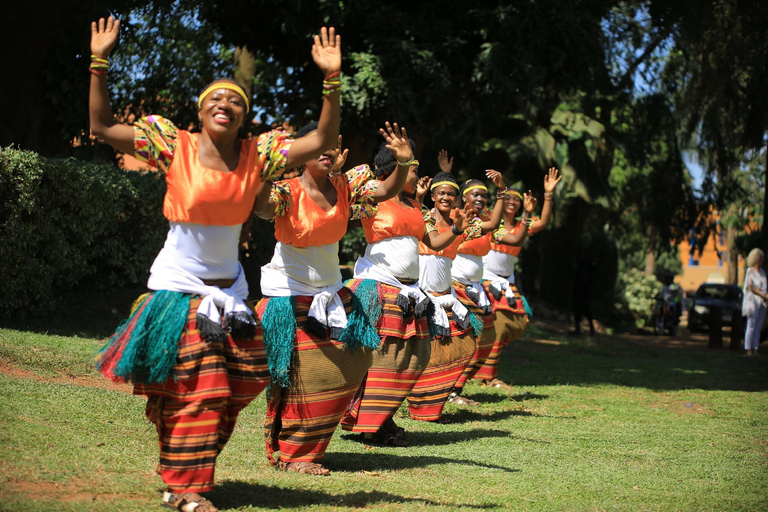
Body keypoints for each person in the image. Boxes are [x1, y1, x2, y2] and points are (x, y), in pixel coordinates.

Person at [91, 16, 342, 511]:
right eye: (216, 100)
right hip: (179, 291)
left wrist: (330, 82)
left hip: (230, 295)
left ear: (243, 117)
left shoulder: (258, 155)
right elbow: (100, 127)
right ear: (201, 111)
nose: (225, 105)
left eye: (235, 101)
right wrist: (100, 62)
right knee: (204, 386)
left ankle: (180, 438)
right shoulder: (171, 146)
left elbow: (320, 141)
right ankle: (185, 489)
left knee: (245, 377)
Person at [252, 122, 414, 475]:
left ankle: (309, 446)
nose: (325, 150)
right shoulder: (285, 190)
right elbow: (263, 209)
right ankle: (296, 455)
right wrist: (264, 172)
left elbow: (386, 191)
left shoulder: (347, 186)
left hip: (330, 292)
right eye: (317, 145)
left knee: (353, 362)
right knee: (303, 376)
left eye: (331, 144)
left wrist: (403, 164)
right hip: (289, 294)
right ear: (302, 152)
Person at [340, 145, 469, 445]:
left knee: (412, 359)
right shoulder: (374, 199)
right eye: (412, 169)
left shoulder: (414, 208)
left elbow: (433, 241)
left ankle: (381, 417)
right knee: (385, 359)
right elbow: (342, 206)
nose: (418, 175)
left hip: (409, 292)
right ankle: (370, 424)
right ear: (394, 171)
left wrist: (457, 230)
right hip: (380, 287)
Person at [407, 171, 486, 421]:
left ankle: (431, 404)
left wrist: (502, 193)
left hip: (446, 295)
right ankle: (415, 401)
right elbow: (431, 242)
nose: (446, 197)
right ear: (433, 195)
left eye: (451, 194)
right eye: (441, 193)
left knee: (463, 340)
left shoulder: (460, 223)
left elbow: (493, 226)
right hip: (420, 296)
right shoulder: (421, 218)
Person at [478, 167, 561, 387]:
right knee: (498, 326)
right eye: (509, 198)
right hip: (485, 278)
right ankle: (489, 376)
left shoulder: (521, 226)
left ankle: (484, 367)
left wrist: (548, 194)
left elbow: (543, 222)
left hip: (507, 280)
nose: (512, 202)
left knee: (517, 323)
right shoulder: (489, 219)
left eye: (517, 199)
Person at [448, 172, 510, 404]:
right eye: (476, 194)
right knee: (464, 339)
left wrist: (527, 220)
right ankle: (449, 391)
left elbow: (510, 238)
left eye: (485, 195)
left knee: (487, 338)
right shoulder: (455, 216)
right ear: (464, 197)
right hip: (454, 286)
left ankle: (457, 386)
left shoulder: (483, 220)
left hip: (476, 287)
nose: (482, 199)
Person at [742, 248, 767, 356]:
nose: (761, 260)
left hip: (762, 303)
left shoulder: (762, 272)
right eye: (759, 257)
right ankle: (748, 349)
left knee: (758, 326)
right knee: (751, 325)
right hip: (753, 301)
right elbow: (751, 287)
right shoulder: (750, 271)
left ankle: (755, 348)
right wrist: (762, 295)